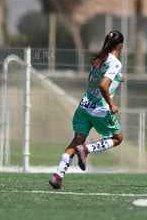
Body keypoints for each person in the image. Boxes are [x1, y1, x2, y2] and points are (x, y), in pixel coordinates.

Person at [49, 30, 125, 190]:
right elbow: (103, 84)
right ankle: (86, 149)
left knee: (76, 141)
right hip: (100, 109)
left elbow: (94, 79)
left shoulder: (99, 60)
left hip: (84, 107)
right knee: (118, 138)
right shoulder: (116, 63)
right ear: (121, 46)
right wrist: (111, 104)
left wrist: (118, 77)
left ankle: (57, 176)